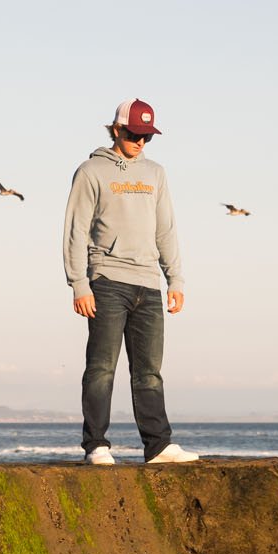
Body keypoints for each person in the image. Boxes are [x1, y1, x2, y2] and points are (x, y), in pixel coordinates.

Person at [62, 98, 198, 466]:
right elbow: (75, 230)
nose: (141, 142)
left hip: (148, 283)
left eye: (147, 137)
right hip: (107, 280)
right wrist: (79, 284)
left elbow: (166, 228)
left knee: (149, 371)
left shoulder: (156, 173)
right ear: (117, 129)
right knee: (101, 367)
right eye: (135, 134)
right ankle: (96, 445)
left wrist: (175, 279)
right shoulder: (91, 171)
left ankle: (157, 446)